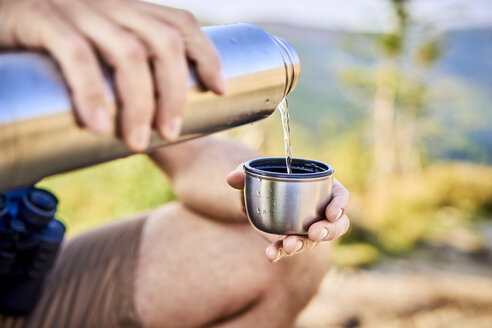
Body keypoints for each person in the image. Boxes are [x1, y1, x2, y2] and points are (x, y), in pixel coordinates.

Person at [0, 0, 351, 327]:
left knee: (288, 250)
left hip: (19, 284)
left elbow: (192, 159)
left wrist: (272, 196)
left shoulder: (48, 29)